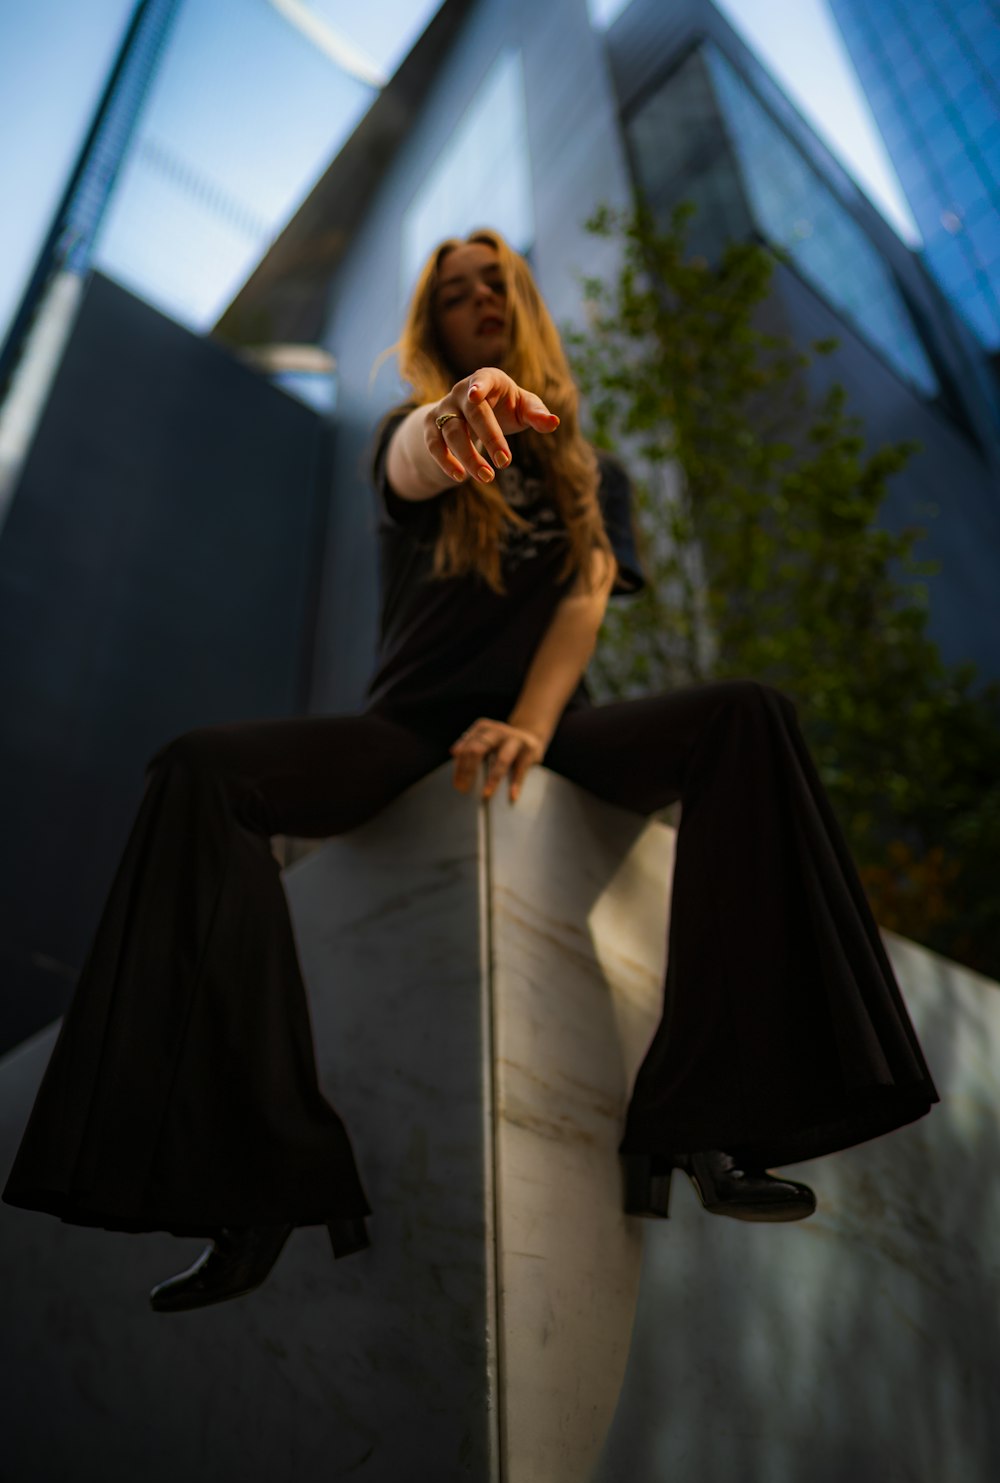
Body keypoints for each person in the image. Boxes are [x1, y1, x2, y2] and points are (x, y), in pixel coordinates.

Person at [2, 228, 940, 1314]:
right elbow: (409, 464)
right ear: (434, 325)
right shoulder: (418, 432)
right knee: (200, 771)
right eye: (455, 292)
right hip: (409, 725)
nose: (479, 299)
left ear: (523, 302)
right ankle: (257, 1179)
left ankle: (714, 1117)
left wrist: (534, 727)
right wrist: (451, 423)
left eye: (495, 283)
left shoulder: (597, 474)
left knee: (749, 716)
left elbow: (583, 602)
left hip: (551, 723)